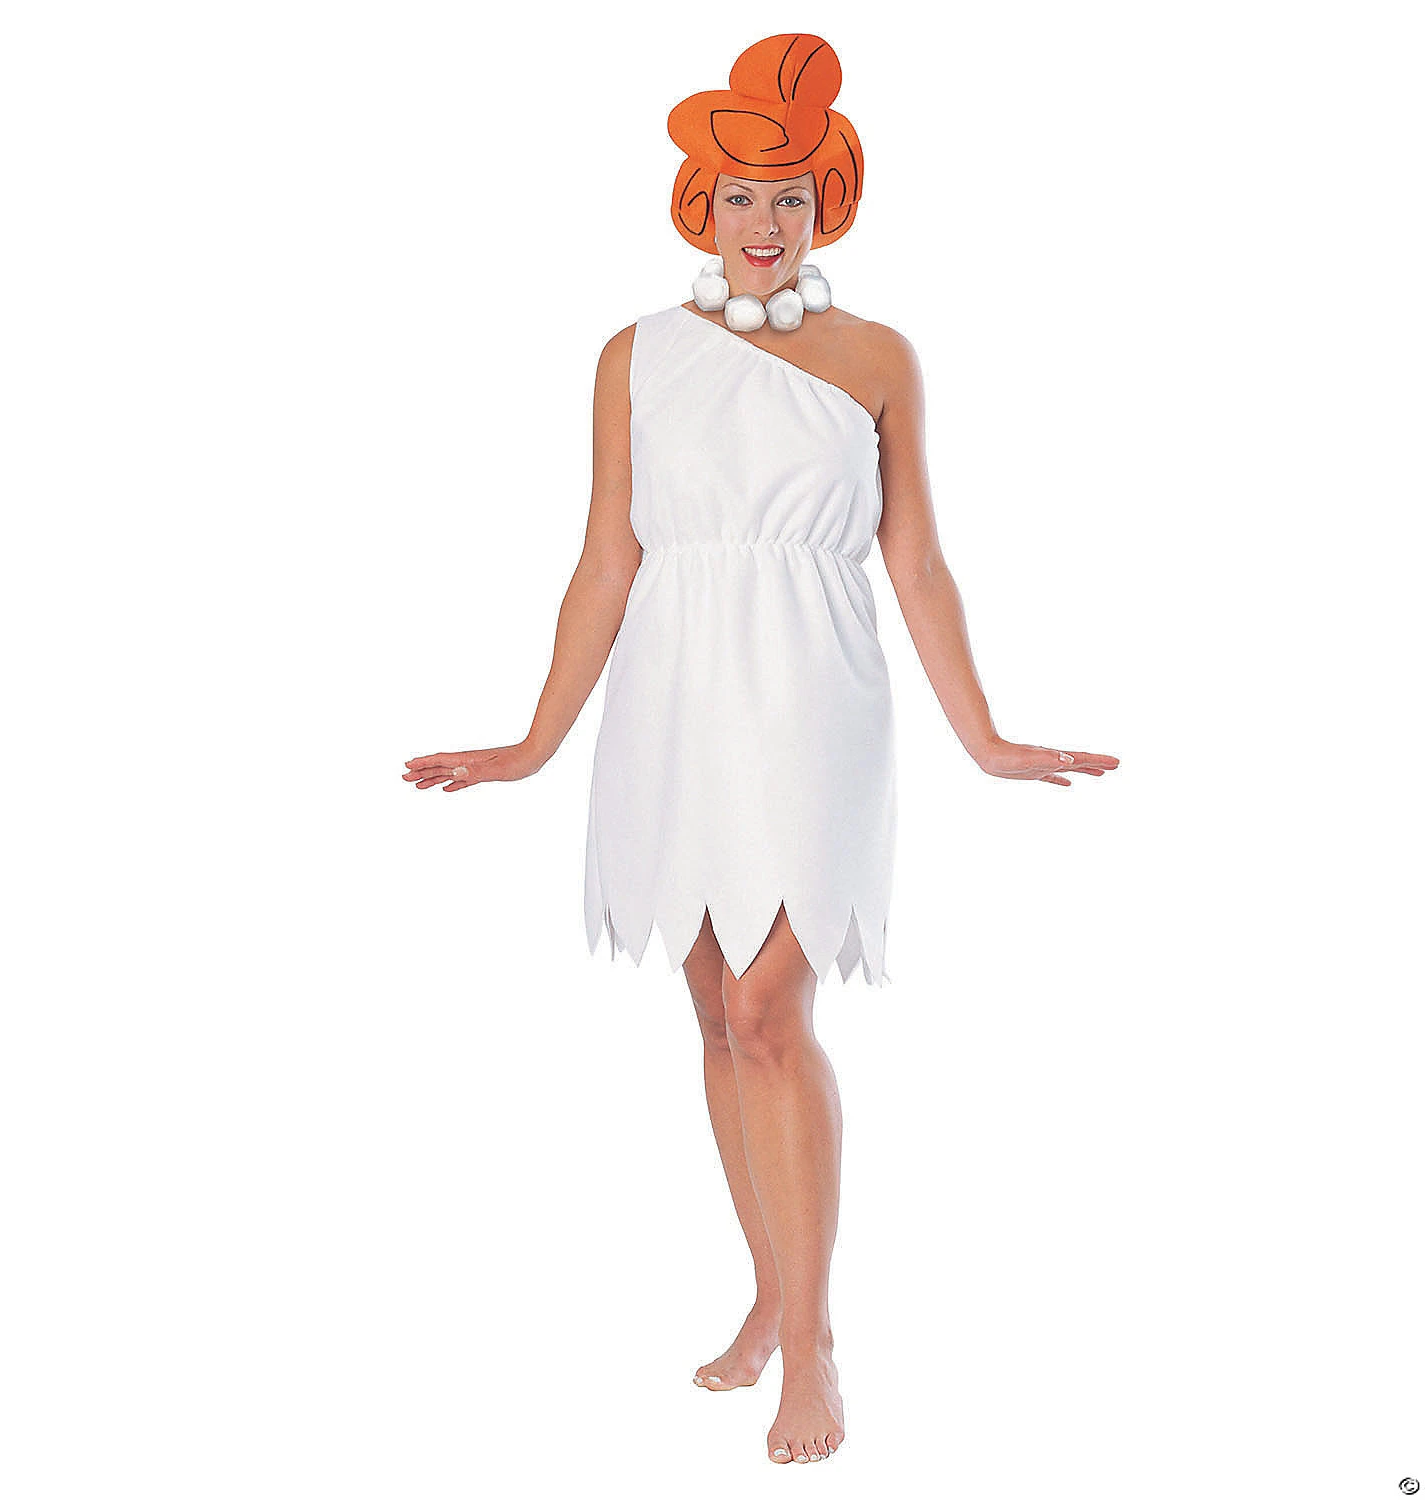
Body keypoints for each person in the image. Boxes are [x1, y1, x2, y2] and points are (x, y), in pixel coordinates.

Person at [404, 33, 1119, 1466]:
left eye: (792, 195)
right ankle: (769, 1296)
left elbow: (917, 562)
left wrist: (982, 738)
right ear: (701, 205)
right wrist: (534, 744)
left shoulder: (877, 358)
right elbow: (606, 559)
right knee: (715, 1017)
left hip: (813, 696)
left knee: (769, 1008)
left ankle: (817, 1344)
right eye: (741, 195)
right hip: (670, 696)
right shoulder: (633, 356)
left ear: (825, 205)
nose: (766, 221)